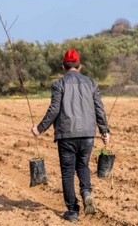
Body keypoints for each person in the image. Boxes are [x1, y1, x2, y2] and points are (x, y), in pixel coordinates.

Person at [31, 48, 111, 223]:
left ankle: (73, 211)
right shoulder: (92, 83)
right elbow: (99, 109)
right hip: (88, 135)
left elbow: (54, 110)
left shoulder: (59, 84)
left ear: (63, 67)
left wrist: (39, 128)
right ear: (80, 67)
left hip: (66, 135)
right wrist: (104, 131)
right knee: (83, 166)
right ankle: (86, 192)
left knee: (67, 172)